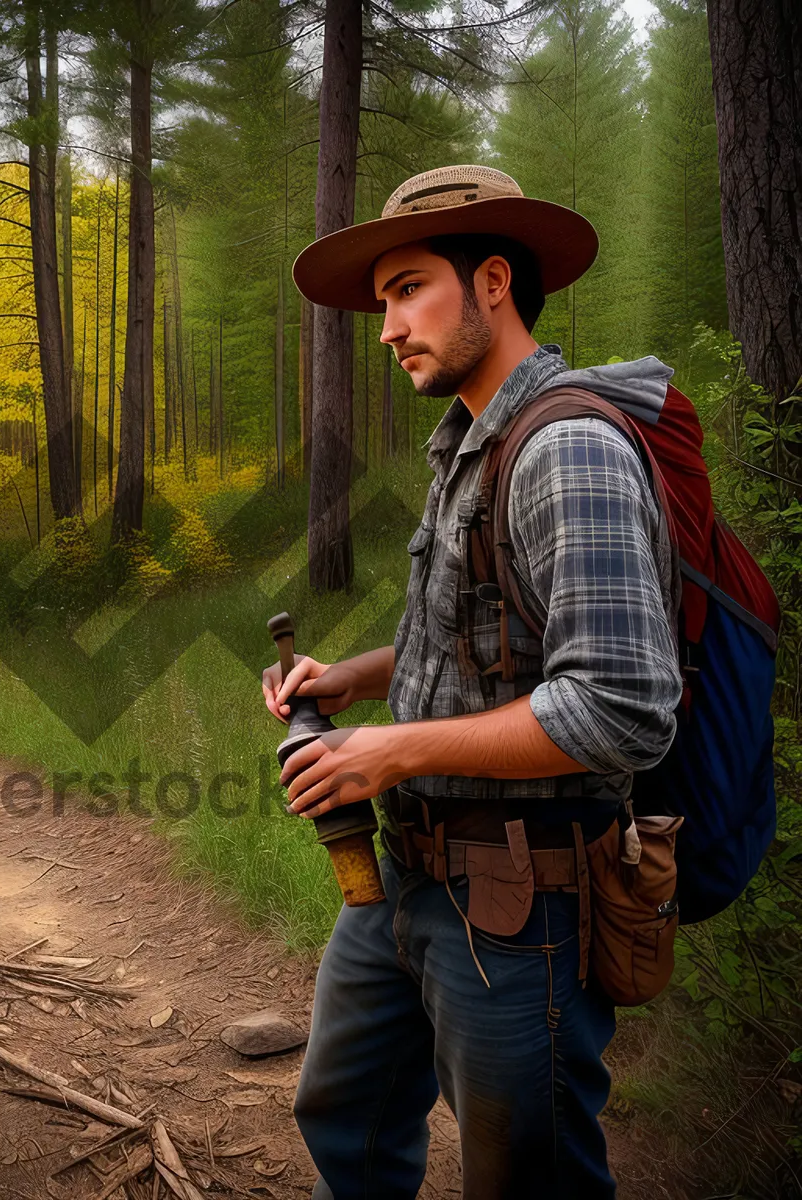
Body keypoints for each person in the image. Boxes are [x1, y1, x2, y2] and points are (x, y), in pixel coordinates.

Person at [261, 165, 682, 1199]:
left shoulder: (567, 449)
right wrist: (355, 682)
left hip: (519, 902)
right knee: (346, 1119)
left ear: (491, 281)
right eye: (382, 301)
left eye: (409, 288)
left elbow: (621, 707)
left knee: (521, 1174)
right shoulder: (470, 443)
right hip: (406, 879)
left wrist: (387, 752)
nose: (387, 325)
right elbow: (473, 642)